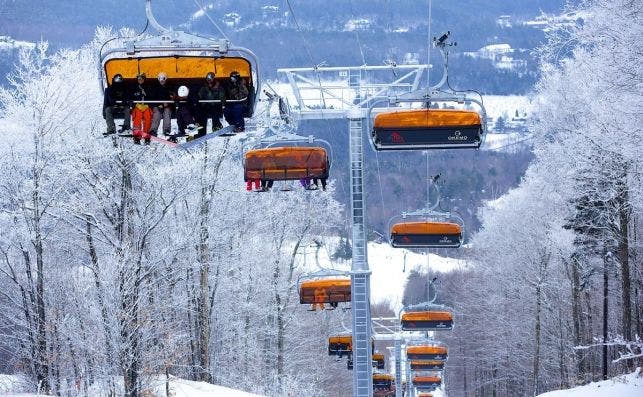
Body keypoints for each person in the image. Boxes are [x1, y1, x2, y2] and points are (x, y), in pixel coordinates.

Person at [197, 72, 225, 137]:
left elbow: (222, 96)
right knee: (202, 114)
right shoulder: (204, 87)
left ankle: (216, 126)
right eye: (208, 79)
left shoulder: (218, 87)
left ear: (213, 79)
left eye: (210, 79)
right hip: (206, 105)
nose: (209, 80)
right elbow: (200, 96)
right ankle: (202, 132)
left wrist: (214, 90)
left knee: (214, 112)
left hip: (215, 105)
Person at [130, 73, 153, 144]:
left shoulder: (149, 87)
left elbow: (152, 97)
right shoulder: (134, 88)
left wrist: (148, 105)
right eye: (139, 79)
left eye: (141, 78)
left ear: (144, 79)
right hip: (137, 106)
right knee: (137, 118)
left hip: (146, 106)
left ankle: (146, 136)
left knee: (148, 118)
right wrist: (135, 105)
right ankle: (137, 136)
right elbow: (131, 97)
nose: (140, 80)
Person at [150, 72, 174, 137]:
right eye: (160, 79)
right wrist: (158, 104)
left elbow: (172, 97)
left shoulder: (169, 88)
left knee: (167, 113)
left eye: (163, 79)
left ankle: (166, 130)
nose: (162, 81)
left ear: (165, 79)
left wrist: (167, 103)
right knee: (157, 114)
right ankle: (153, 130)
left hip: (167, 106)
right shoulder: (155, 88)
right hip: (158, 106)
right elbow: (152, 98)